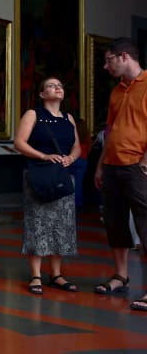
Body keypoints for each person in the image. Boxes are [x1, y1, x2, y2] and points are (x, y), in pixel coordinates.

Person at [91, 37, 147, 312]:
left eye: (108, 59)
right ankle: (121, 275)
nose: (105, 66)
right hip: (112, 165)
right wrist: (101, 165)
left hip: (138, 166)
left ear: (124, 57)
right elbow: (109, 132)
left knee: (146, 225)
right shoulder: (116, 92)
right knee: (114, 223)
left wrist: (146, 164)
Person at [13, 77, 81, 295]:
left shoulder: (68, 118)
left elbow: (77, 146)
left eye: (60, 85)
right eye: (51, 85)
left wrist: (71, 158)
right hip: (39, 174)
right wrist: (43, 155)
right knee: (38, 223)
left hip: (63, 175)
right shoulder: (34, 114)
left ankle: (56, 273)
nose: (57, 88)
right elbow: (19, 142)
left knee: (62, 225)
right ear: (42, 94)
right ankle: (35, 274)